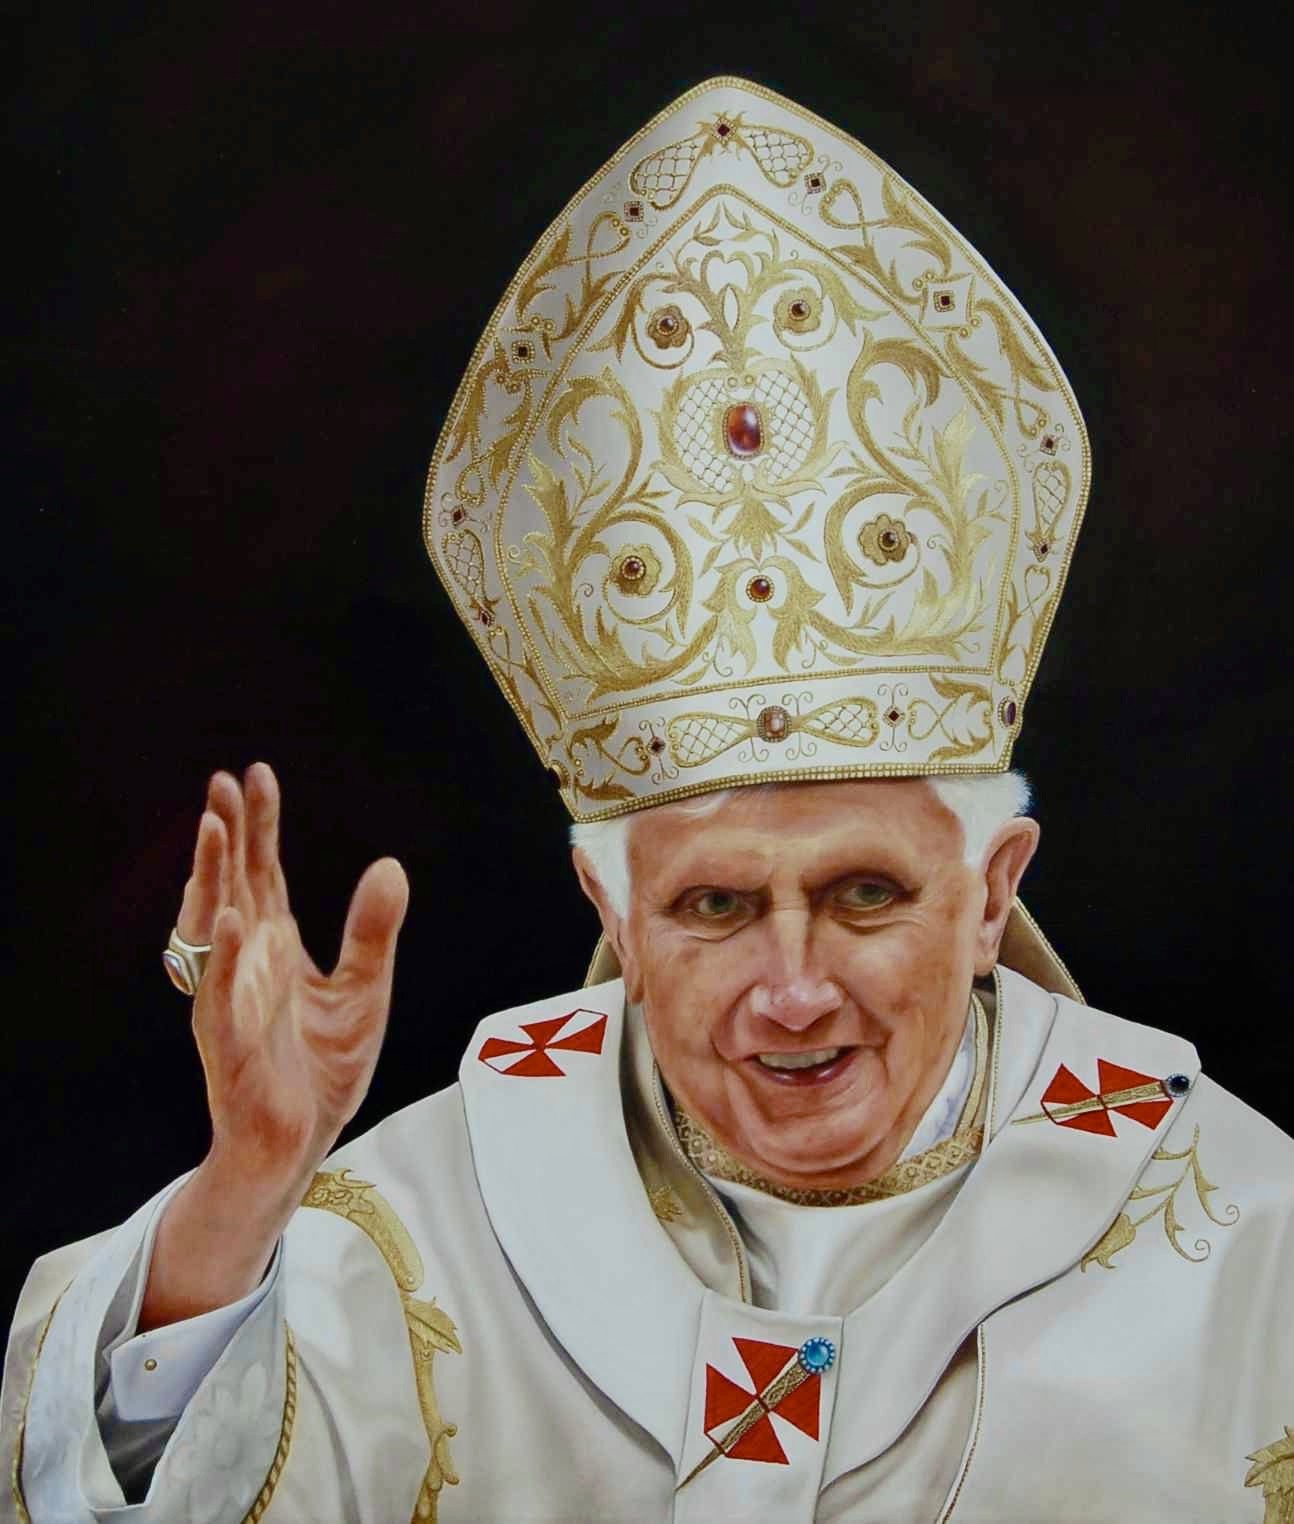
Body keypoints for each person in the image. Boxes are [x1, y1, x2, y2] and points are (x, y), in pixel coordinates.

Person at [4, 75, 1292, 1524]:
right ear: (608, 906)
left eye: (864, 893)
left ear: (992, 892)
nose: (792, 990)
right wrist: (246, 1187)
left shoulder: (1243, 1238)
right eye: (715, 906)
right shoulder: (435, 1220)